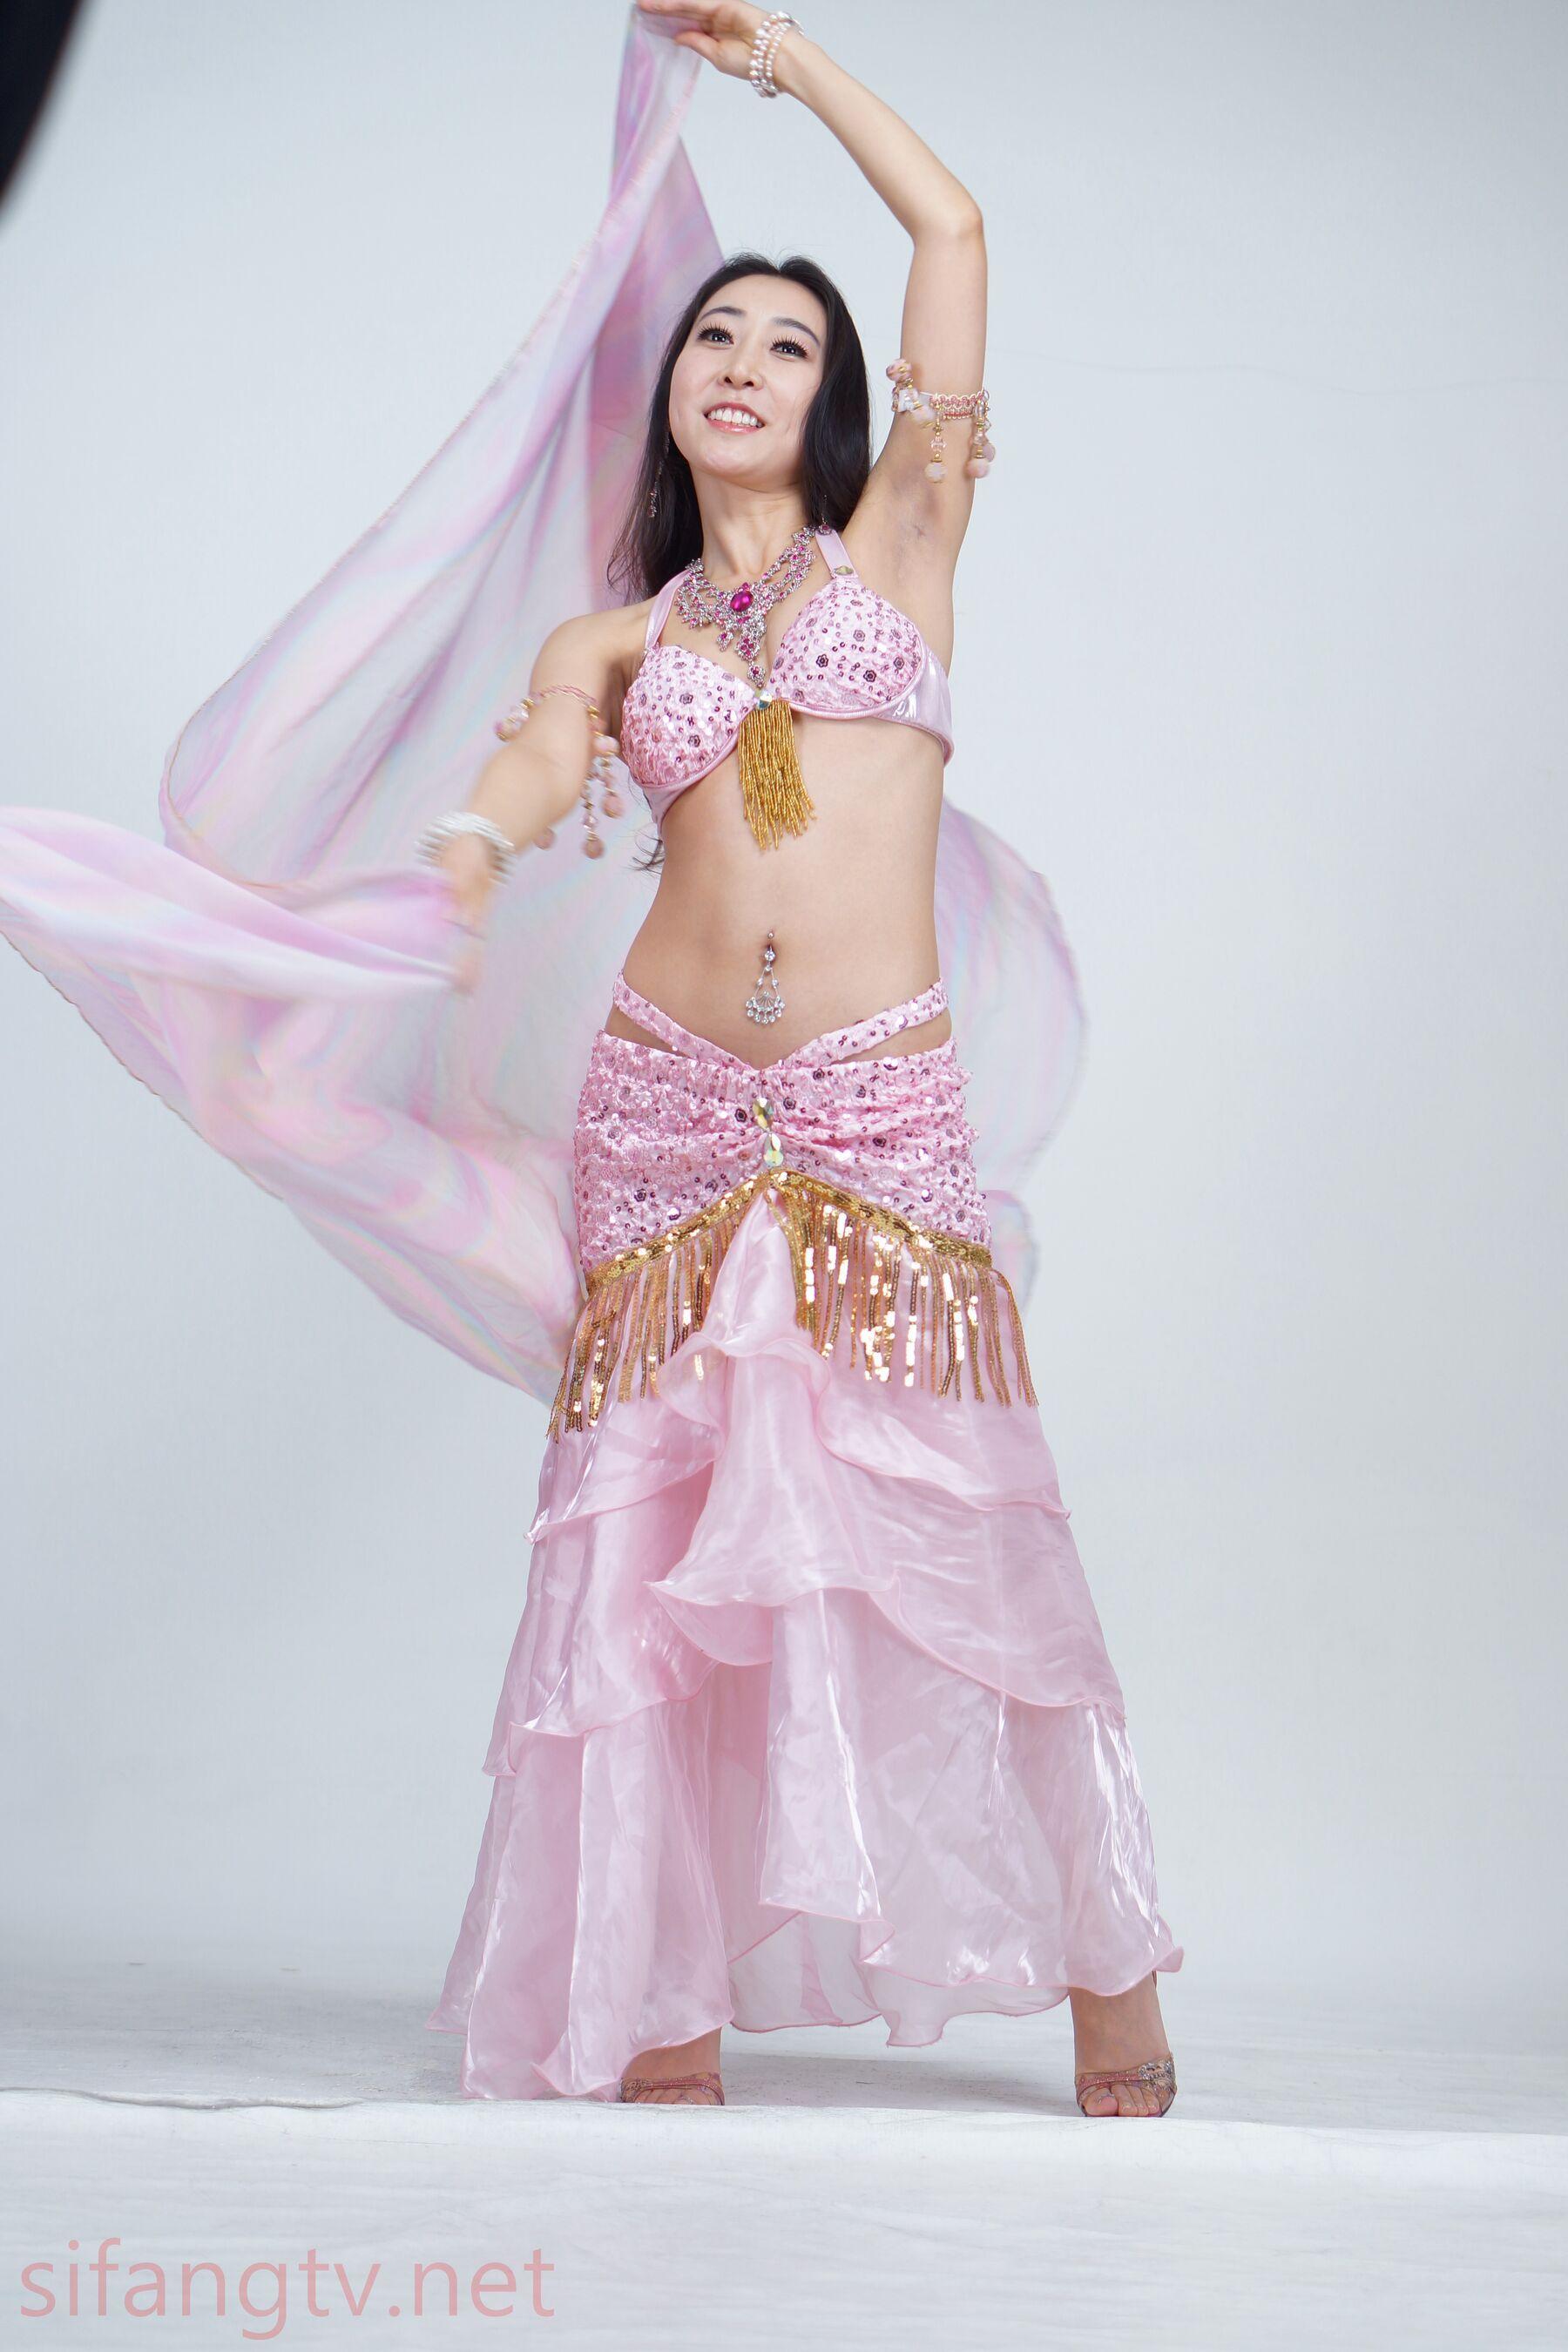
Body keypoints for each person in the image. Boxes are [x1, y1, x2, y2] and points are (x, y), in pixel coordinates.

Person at [0, 2, 1181, 2114]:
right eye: (713, 334)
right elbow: (543, 765)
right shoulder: (619, 637)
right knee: (645, 1528)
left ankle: (1109, 1964)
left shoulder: (905, 548)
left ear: (834, 406)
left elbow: (955, 230)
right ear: (672, 395)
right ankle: (659, 1989)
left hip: (874, 1090)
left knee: (956, 1509)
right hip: (659, 1107)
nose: (740, 361)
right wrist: (467, 849)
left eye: (785, 344)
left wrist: (784, 59)